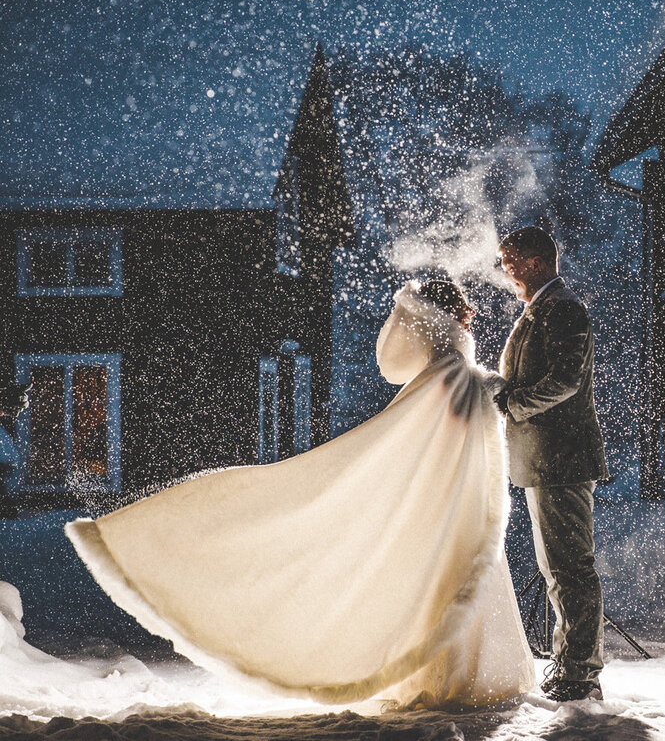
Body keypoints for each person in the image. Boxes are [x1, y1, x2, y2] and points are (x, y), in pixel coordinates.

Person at [66, 280, 535, 708]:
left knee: (449, 578)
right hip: (449, 501)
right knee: (453, 575)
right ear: (450, 313)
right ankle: (459, 677)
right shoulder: (451, 367)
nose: (472, 314)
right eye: (463, 308)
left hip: (447, 496)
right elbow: (453, 414)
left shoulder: (442, 364)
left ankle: (447, 673)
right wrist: (493, 387)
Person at [494, 226, 608, 702]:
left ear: (537, 262)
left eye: (510, 261)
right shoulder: (540, 310)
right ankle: (571, 667)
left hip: (562, 460)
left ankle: (580, 673)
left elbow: (564, 380)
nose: (505, 271)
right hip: (546, 461)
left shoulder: (562, 310)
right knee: (557, 568)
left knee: (569, 570)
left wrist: (511, 403)